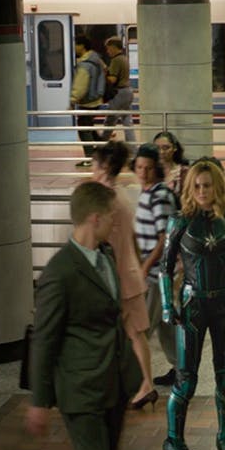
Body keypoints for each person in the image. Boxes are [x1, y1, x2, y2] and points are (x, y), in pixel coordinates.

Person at [25, 181, 141, 450]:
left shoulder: (105, 254)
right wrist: (40, 401)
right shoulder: (59, 273)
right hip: (80, 389)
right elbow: (44, 340)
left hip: (114, 380)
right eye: (112, 217)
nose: (116, 223)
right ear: (95, 218)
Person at [159, 161, 225, 450]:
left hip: (224, 305)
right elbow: (165, 267)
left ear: (218, 186)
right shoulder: (179, 221)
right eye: (197, 186)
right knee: (186, 379)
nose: (202, 191)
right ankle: (174, 440)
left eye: (207, 185)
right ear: (190, 188)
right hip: (193, 305)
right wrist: (167, 305)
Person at [88, 142, 158, 410]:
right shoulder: (122, 195)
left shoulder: (104, 200)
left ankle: (141, 385)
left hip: (116, 277)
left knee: (125, 333)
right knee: (135, 332)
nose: (92, 170)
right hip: (130, 273)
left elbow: (97, 240)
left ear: (105, 167)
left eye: (94, 165)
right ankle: (143, 384)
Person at [133, 144, 180, 387]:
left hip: (155, 275)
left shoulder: (159, 196)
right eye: (139, 167)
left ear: (156, 169)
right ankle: (181, 369)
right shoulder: (148, 193)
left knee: (142, 328)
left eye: (148, 168)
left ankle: (137, 379)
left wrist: (145, 266)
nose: (143, 172)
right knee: (165, 324)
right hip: (158, 273)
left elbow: (165, 238)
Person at [71, 35, 107, 167]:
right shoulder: (97, 59)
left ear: (82, 46)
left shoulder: (85, 64)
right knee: (89, 127)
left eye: (76, 44)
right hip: (96, 99)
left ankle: (90, 158)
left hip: (87, 101)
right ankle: (103, 151)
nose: (74, 47)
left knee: (84, 129)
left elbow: (80, 86)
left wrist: (73, 99)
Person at [101, 37, 135, 144]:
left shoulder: (116, 60)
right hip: (128, 91)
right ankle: (133, 148)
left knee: (110, 121)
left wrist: (103, 76)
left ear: (114, 47)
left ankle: (102, 145)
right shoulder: (124, 58)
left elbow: (112, 79)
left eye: (108, 48)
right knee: (127, 122)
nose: (107, 51)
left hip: (119, 93)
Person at [152, 130, 189, 207]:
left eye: (166, 148)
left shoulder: (184, 172)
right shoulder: (149, 171)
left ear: (174, 148)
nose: (161, 152)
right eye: (157, 148)